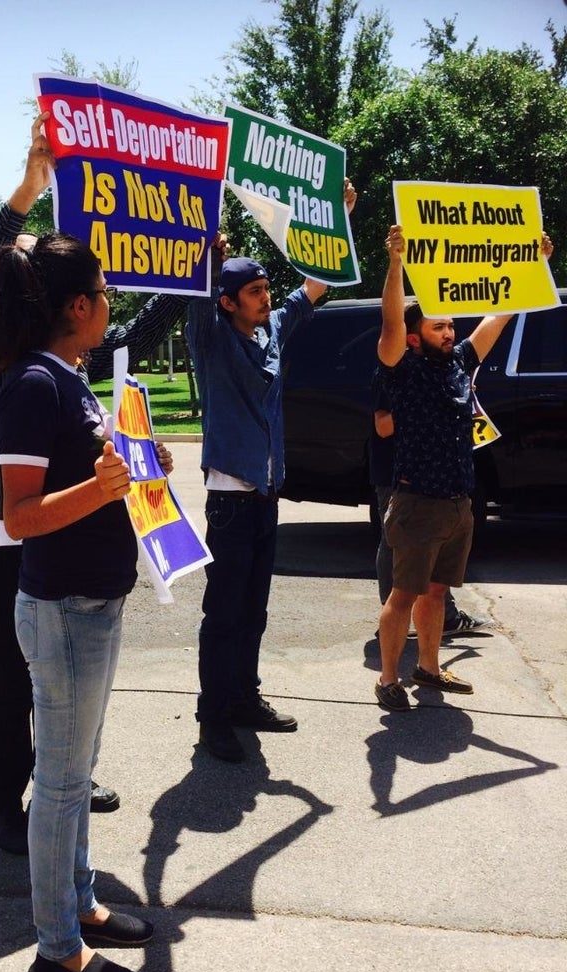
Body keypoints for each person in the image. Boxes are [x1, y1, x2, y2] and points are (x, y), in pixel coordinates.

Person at [0, 112, 189, 853]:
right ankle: (4, 805)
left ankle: (64, 778)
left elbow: (125, 336)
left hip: (66, 536)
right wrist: (25, 190)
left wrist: (187, 280)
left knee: (62, 678)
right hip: (9, 534)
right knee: (17, 677)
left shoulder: (63, 359)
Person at [0, 229, 154, 972]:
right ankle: (57, 948)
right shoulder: (33, 385)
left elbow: (91, 474)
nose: (110, 305)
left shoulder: (69, 376)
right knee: (58, 783)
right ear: (78, 305)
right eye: (105, 293)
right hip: (63, 609)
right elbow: (18, 515)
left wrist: (137, 469)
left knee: (73, 777)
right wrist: (103, 487)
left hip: (93, 603)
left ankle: (79, 903)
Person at [187, 180, 358, 762]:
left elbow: (313, 287)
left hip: (264, 499)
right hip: (229, 500)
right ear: (228, 299)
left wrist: (337, 220)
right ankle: (213, 717)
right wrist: (208, 253)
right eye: (254, 292)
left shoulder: (270, 332)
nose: (265, 298)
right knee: (224, 611)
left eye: (265, 289)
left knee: (254, 610)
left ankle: (243, 698)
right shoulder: (210, 338)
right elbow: (195, 297)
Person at [375, 223, 553, 711]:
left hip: (458, 502)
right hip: (417, 502)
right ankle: (388, 679)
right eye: (438, 326)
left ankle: (429, 669)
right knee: (403, 595)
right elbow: (391, 323)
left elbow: (497, 318)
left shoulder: (458, 362)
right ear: (415, 338)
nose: (450, 332)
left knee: (436, 592)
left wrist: (532, 266)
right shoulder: (401, 367)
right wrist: (395, 264)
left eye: (451, 325)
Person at [370, 377, 492, 633]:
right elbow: (382, 426)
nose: (447, 335)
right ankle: (393, 618)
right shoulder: (395, 369)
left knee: (436, 543)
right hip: (396, 472)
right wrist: (431, 398)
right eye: (437, 332)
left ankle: (446, 618)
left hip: (432, 473)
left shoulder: (437, 370)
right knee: (393, 542)